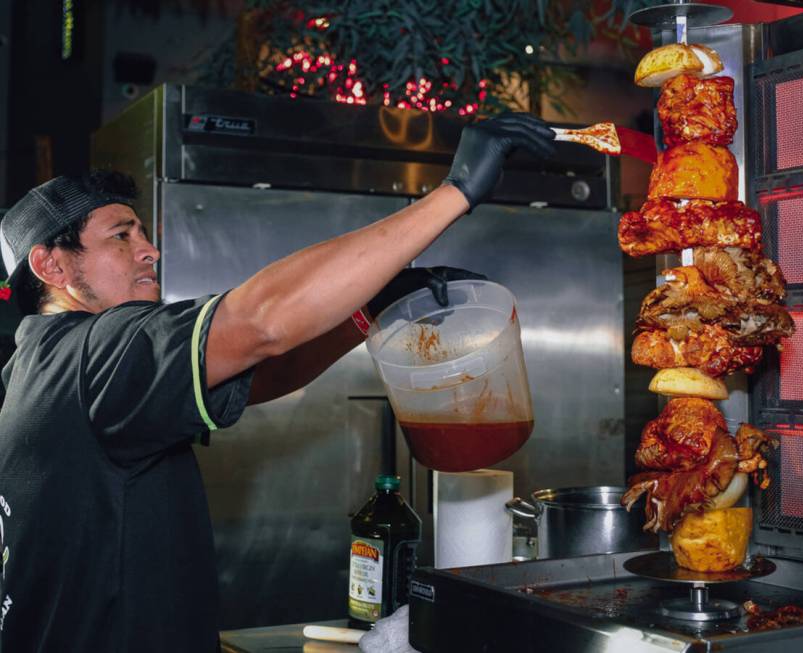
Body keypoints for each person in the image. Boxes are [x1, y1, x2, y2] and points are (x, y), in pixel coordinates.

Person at [0, 112, 555, 651]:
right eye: (121, 236)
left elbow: (260, 373)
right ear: (51, 267)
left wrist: (371, 304)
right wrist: (453, 193)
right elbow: (262, 324)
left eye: (143, 232)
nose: (150, 249)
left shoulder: (45, 367)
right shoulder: (92, 351)